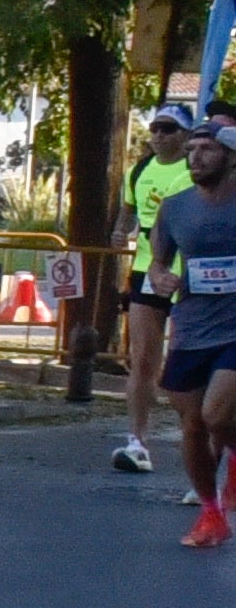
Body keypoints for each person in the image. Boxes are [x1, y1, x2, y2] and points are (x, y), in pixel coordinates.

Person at [150, 122, 236, 548]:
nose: (197, 156)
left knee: (215, 415)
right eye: (193, 149)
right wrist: (161, 278)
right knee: (191, 427)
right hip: (192, 328)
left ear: (230, 156)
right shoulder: (175, 207)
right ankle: (211, 513)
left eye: (208, 149)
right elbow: (157, 263)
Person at [109, 107, 196, 475]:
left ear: (186, 135)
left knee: (187, 361)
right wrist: (119, 229)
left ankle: (196, 440)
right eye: (155, 128)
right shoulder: (139, 170)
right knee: (143, 358)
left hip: (190, 272)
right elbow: (128, 210)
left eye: (169, 129)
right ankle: (137, 440)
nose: (159, 135)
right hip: (147, 268)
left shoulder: (195, 169)